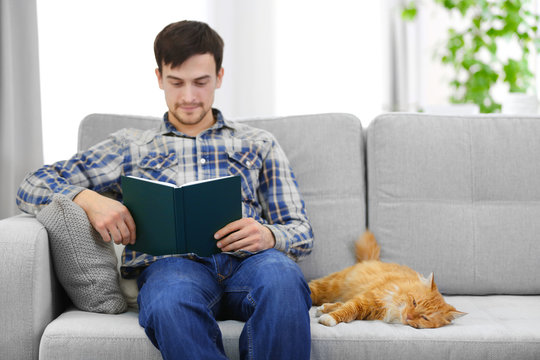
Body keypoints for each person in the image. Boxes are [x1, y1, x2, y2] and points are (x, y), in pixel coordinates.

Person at [16, 20, 313, 359]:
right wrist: (88, 199)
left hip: (252, 264)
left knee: (284, 278)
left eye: (201, 82)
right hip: (173, 269)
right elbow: (31, 183)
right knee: (169, 300)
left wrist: (269, 237)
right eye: (176, 82)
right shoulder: (130, 146)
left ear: (219, 76)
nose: (189, 97)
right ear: (159, 78)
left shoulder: (258, 143)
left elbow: (301, 231)